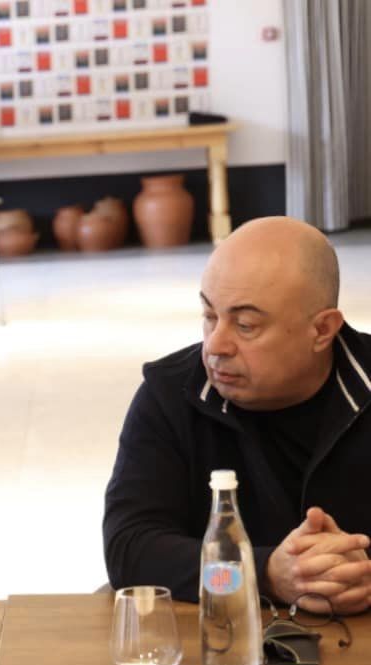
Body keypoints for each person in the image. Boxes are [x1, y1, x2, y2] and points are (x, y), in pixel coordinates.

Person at [104, 217, 371, 613]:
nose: (215, 345)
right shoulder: (171, 395)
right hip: (221, 636)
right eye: (210, 316)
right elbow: (131, 550)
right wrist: (262, 574)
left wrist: (358, 575)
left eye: (245, 325)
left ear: (322, 330)